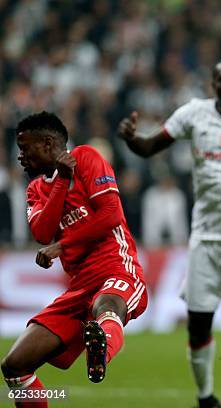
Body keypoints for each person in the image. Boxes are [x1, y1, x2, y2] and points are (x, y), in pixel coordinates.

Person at [117, 58, 221, 408]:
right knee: (198, 326)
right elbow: (150, 146)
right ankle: (206, 398)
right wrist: (132, 140)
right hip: (204, 239)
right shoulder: (194, 113)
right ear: (213, 84)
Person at [1, 111, 148, 407]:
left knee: (105, 306)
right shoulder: (35, 189)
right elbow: (43, 232)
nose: (20, 157)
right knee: (14, 366)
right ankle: (98, 339)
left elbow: (111, 215)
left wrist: (62, 245)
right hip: (79, 288)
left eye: (24, 148)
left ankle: (100, 348)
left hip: (117, 267)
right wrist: (60, 182)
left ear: (46, 143)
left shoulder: (87, 157)